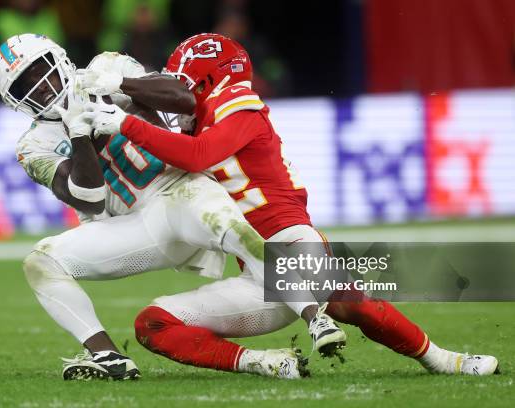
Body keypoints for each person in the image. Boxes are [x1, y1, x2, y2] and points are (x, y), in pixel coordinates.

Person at [85, 33, 499, 376]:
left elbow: (197, 154)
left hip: (292, 242)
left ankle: (445, 359)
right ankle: (264, 363)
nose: (179, 92)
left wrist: (126, 121)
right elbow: (166, 162)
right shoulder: (203, 122)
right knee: (152, 324)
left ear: (206, 77)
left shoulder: (240, 105)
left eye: (184, 81)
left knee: (343, 297)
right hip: (256, 278)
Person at [0, 33, 341, 380]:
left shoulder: (105, 68)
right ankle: (108, 356)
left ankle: (314, 315)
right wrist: (78, 133)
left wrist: (120, 84)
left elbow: (184, 99)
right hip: (137, 226)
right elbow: (89, 197)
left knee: (231, 228)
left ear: (60, 60)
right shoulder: (33, 145)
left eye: (40, 70)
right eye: (24, 84)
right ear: (15, 100)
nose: (39, 85)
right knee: (41, 262)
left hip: (181, 189)